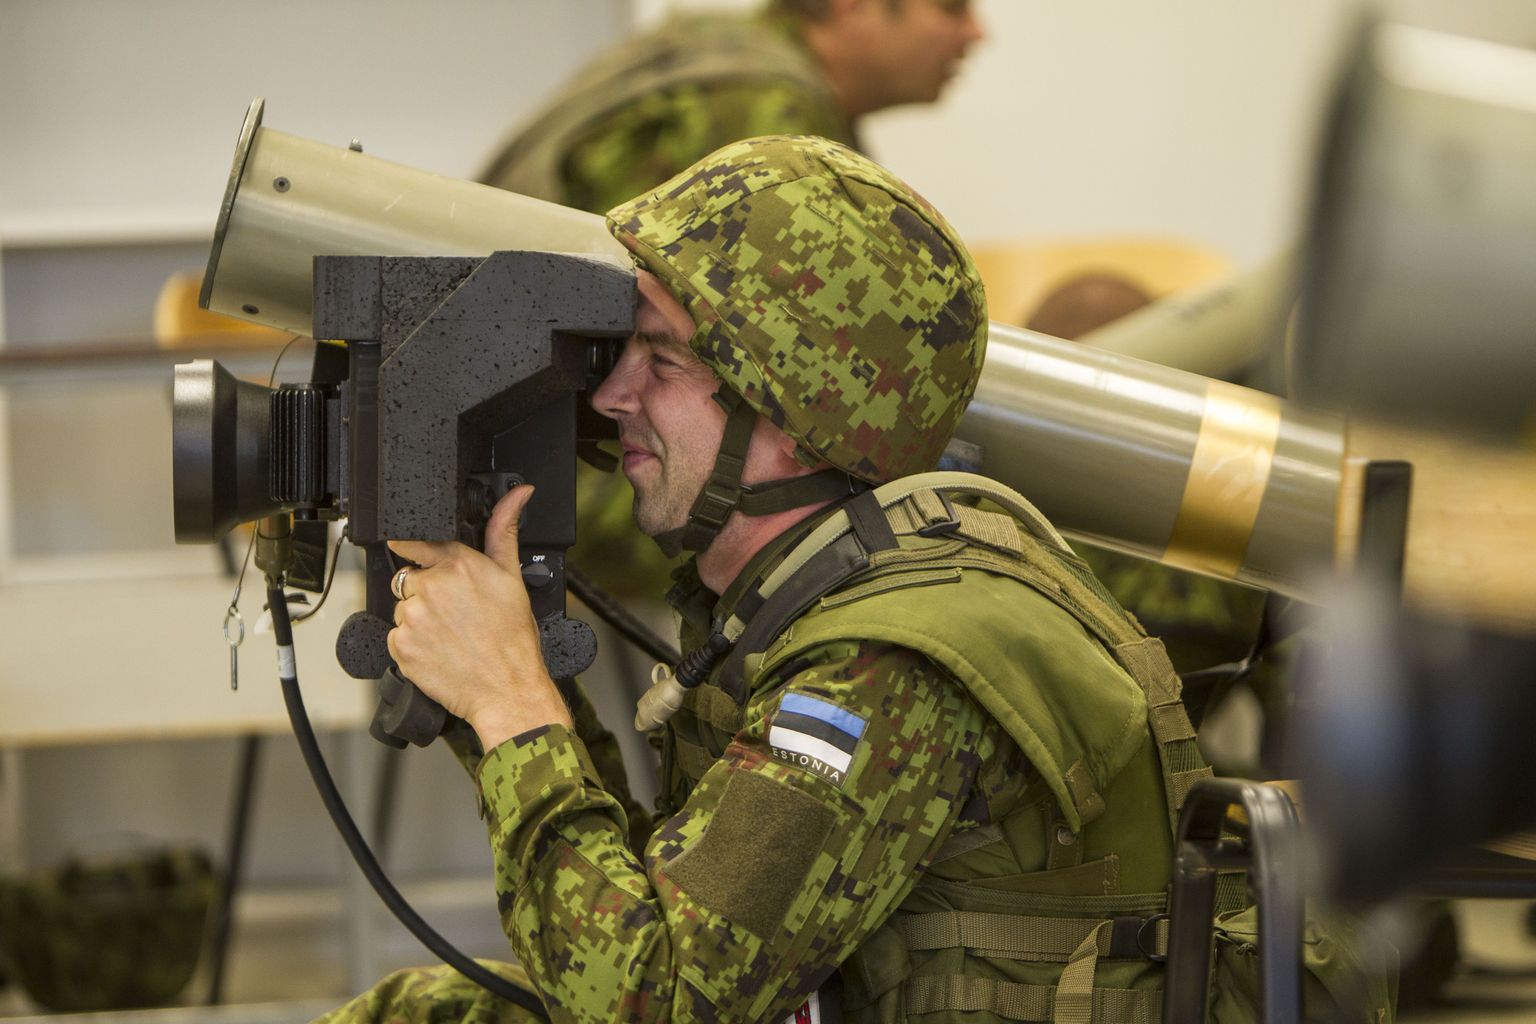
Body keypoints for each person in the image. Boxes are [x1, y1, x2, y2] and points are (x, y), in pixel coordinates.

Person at [320, 137, 1393, 1023]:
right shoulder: (830, 592)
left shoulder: (890, 659)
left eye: (667, 362)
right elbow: (667, 912)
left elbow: (658, 998)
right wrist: (495, 676)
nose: (612, 402)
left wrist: (513, 708)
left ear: (795, 419)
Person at [477, 0, 985, 600]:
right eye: (950, 7)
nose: (974, 32)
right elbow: (756, 410)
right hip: (590, 505)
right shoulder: (765, 108)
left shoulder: (710, 51)